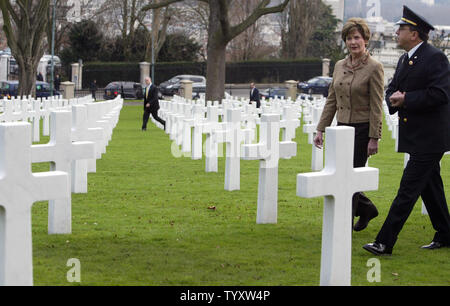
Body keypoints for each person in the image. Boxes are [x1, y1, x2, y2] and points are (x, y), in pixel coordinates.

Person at [364, 6, 450, 256]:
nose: (396, 32)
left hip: (430, 138)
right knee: (430, 187)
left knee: (407, 190)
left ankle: (384, 241)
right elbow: (392, 90)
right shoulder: (405, 59)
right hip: (416, 138)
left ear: (414, 34)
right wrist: (394, 99)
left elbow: (441, 94)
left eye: (401, 28)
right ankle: (445, 233)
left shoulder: (435, 58)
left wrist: (407, 99)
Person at [313, 18, 384, 232]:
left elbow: (376, 105)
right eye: (349, 38)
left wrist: (374, 137)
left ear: (365, 40)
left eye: (356, 38)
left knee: (350, 178)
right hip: (341, 129)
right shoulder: (339, 66)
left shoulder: (374, 68)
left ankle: (343, 226)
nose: (353, 42)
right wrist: (321, 129)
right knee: (338, 175)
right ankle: (367, 208)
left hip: (362, 131)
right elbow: (332, 99)